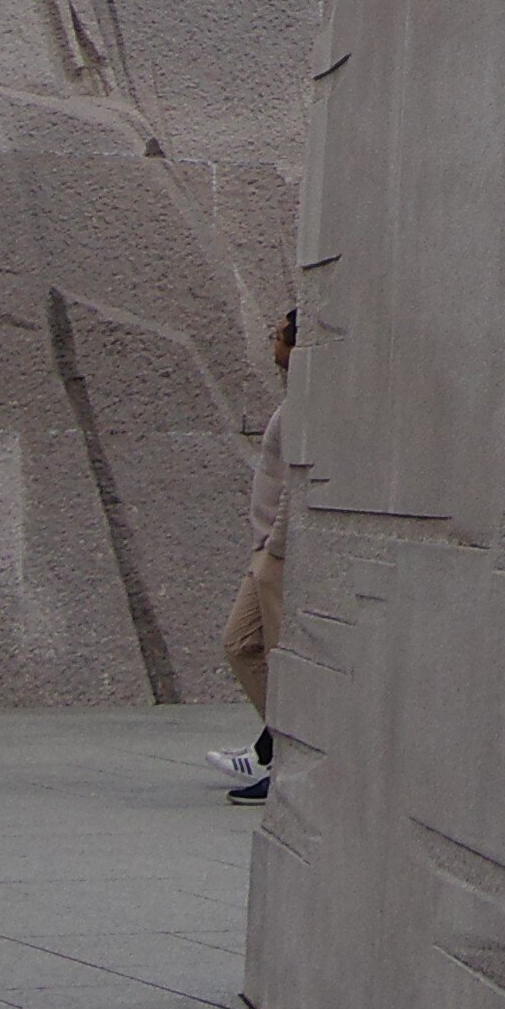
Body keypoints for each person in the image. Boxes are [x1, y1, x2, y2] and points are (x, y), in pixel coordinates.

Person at [209, 302, 295, 800]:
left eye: (278, 335)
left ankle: (288, 757)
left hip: (276, 555)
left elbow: (297, 484)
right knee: (239, 645)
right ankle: (280, 745)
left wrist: (275, 549)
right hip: (267, 550)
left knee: (278, 657)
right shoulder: (295, 399)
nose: (272, 343)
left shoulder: (308, 404)